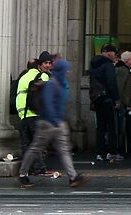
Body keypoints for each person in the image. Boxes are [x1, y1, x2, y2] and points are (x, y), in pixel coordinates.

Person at [17, 55, 89, 189]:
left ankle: (73, 177)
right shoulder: (52, 84)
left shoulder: (59, 83)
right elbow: (48, 104)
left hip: (56, 123)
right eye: (66, 70)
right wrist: (56, 120)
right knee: (35, 148)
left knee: (63, 150)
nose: (68, 72)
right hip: (47, 123)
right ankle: (22, 174)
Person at [88, 51, 123, 164]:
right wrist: (116, 99)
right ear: (109, 54)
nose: (115, 56)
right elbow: (111, 83)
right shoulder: (108, 66)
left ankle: (100, 152)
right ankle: (111, 152)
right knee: (112, 126)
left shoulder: (94, 66)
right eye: (114, 53)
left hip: (97, 99)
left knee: (100, 127)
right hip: (108, 98)